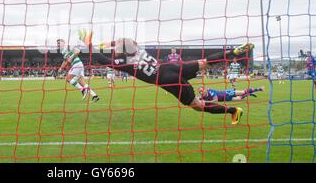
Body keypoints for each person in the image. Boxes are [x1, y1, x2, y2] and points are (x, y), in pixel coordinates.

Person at [78, 29, 254, 125]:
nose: (115, 49)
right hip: (171, 66)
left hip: (167, 80)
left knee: (197, 106)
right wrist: (107, 43)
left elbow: (103, 59)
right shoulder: (137, 49)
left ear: (121, 51)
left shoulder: (124, 64)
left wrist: (89, 46)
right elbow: (125, 41)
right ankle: (231, 52)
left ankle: (233, 111)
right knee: (205, 62)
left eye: (116, 48)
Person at [57, 38, 100, 103]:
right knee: (81, 82)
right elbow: (65, 61)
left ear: (64, 42)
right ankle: (95, 96)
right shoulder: (63, 51)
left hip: (76, 64)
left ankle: (82, 90)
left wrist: (71, 58)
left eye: (59, 42)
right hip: (79, 65)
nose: (58, 44)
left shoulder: (68, 47)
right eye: (57, 43)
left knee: (68, 78)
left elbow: (77, 51)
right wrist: (61, 68)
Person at [198, 86, 265, 103]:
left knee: (243, 92)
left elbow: (215, 100)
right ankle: (249, 94)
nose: (201, 93)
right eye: (200, 92)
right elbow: (198, 98)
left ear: (205, 90)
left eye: (202, 91)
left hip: (227, 93)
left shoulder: (211, 93)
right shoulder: (203, 95)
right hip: (226, 98)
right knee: (239, 98)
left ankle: (259, 89)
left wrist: (205, 102)